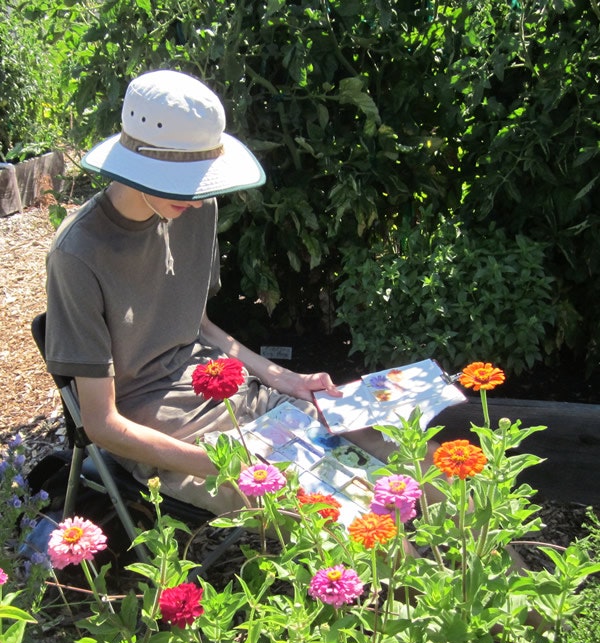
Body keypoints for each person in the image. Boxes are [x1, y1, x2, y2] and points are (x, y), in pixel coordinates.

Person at [45, 69, 391, 516]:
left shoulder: (195, 205)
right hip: (168, 436)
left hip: (229, 391)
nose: (195, 198)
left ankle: (497, 567)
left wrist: (283, 377)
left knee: (385, 445)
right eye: (181, 181)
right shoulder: (78, 255)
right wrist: (222, 465)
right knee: (343, 513)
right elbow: (103, 424)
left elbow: (199, 325)